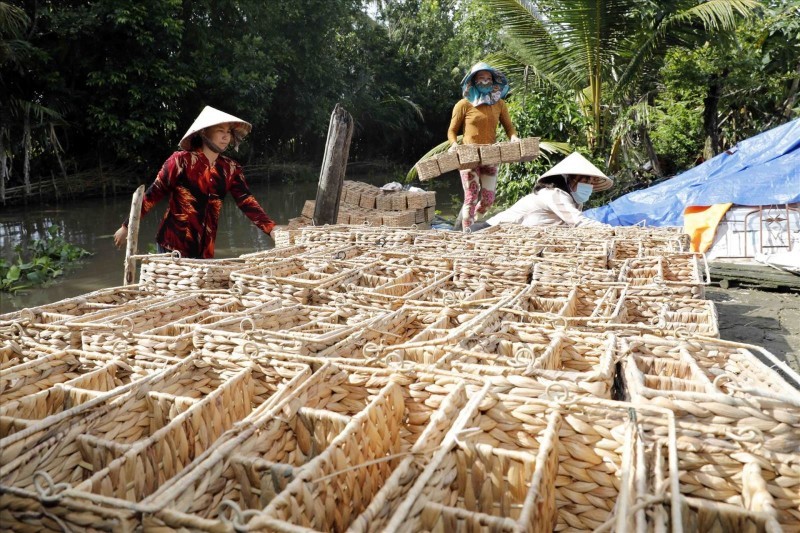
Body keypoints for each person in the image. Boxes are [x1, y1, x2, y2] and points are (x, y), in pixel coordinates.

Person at [113, 106, 275, 259]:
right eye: (220, 131)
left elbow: (247, 202)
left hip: (205, 249)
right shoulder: (180, 161)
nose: (226, 137)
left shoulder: (230, 168)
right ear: (204, 133)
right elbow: (153, 194)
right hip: (173, 246)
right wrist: (127, 226)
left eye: (228, 132)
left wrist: (271, 229)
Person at [448, 62, 519, 231]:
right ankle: (467, 234)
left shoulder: (499, 104)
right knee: (471, 197)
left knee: (488, 200)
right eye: (481, 78)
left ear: (494, 82)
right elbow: (452, 131)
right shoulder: (463, 104)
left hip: (490, 156)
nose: (485, 81)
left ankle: (472, 222)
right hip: (468, 157)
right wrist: (454, 144)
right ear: (473, 81)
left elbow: (509, 128)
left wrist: (514, 137)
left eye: (488, 78)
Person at [468, 152, 613, 231]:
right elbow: (578, 222)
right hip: (491, 231)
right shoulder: (554, 194)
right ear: (569, 178)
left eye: (591, 183)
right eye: (586, 181)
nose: (589, 187)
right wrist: (610, 230)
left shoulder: (575, 203)